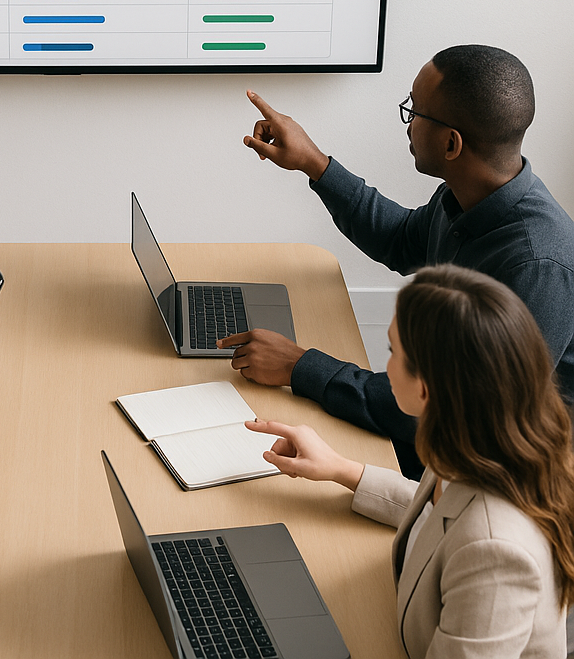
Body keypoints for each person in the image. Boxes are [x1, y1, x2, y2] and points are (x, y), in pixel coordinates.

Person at [224, 45, 574, 478]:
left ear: (451, 143)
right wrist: (314, 164)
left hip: (491, 473)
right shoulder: (465, 195)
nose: (407, 124)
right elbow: (400, 240)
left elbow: (450, 413)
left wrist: (300, 365)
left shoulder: (538, 266)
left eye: (415, 111)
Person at [246, 265, 574, 658]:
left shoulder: (497, 553)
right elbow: (440, 518)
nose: (385, 368)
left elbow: (470, 536)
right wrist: (340, 468)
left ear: (426, 389)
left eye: (392, 353)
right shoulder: (472, 439)